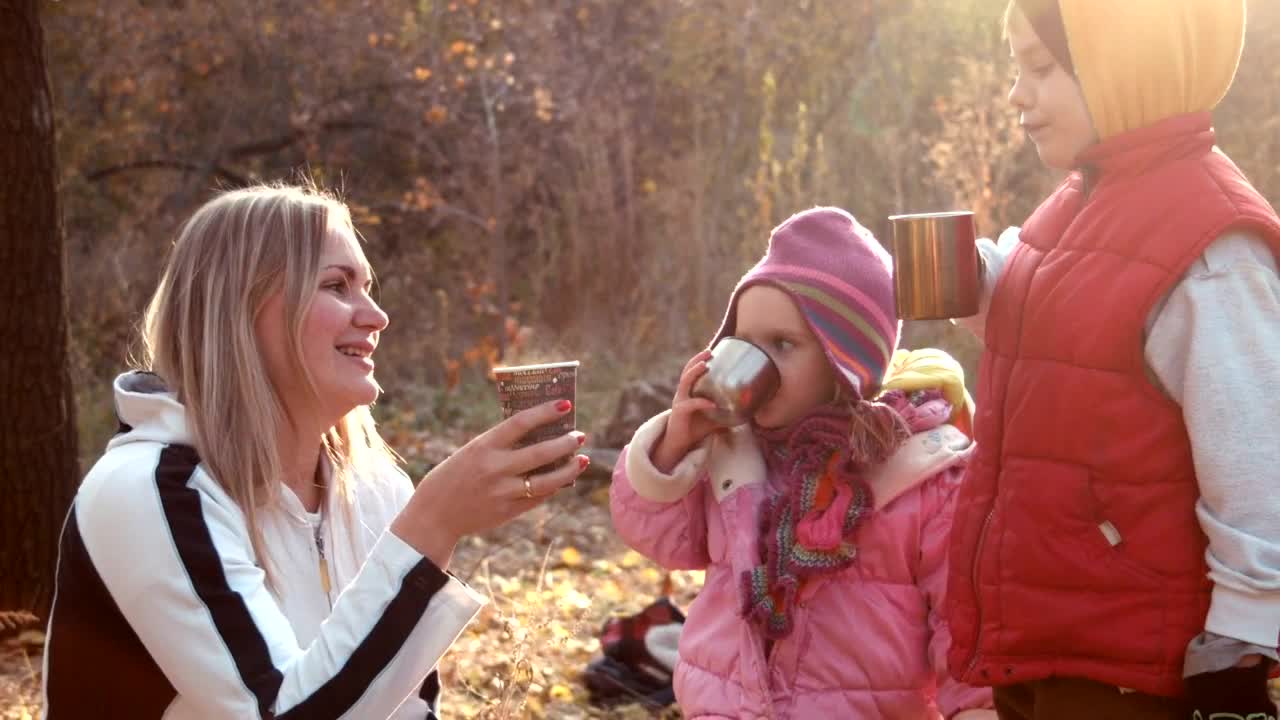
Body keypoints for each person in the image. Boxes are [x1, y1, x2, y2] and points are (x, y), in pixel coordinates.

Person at [40, 184, 591, 718]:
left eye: (367, 287)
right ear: (241, 308)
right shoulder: (149, 492)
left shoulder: (377, 490)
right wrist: (432, 527)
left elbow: (408, 709)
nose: (376, 317)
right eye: (336, 286)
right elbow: (278, 710)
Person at [944, 1, 1280, 717]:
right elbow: (1066, 345)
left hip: (1136, 663)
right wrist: (982, 284)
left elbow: (1257, 462)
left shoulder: (1212, 247)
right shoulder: (1076, 203)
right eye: (1015, 68)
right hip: (1046, 633)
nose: (1016, 94)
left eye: (1040, 68)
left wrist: (1244, 638)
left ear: (1129, 67)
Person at [610, 207, 995, 718]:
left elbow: (965, 632)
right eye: (743, 342)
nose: (757, 362)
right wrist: (674, 448)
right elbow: (664, 539)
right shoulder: (732, 453)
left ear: (847, 361)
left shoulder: (918, 475)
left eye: (783, 344)